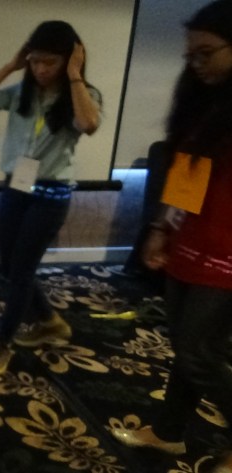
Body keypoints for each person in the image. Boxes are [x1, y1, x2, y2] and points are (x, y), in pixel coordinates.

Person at [110, 2, 232, 472]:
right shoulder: (203, 102)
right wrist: (160, 228)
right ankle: (168, 433)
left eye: (207, 53)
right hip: (191, 239)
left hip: (226, 252)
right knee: (185, 347)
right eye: (190, 56)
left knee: (200, 353)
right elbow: (186, 176)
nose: (196, 64)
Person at [0, 21, 102, 375]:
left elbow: (89, 124)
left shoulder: (83, 95)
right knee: (8, 264)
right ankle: (49, 321)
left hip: (50, 197)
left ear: (69, 60)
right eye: (36, 61)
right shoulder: (21, 92)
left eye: (50, 62)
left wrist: (74, 76)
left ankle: (3, 343)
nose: (41, 69)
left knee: (22, 271)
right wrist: (11, 66)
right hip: (16, 187)